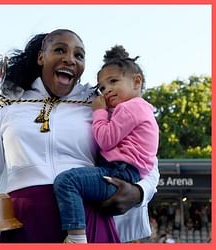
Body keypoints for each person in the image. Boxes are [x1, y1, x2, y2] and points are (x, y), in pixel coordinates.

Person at [0, 29, 159, 243]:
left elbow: (145, 155)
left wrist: (139, 192)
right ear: (41, 57)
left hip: (88, 219)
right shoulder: (7, 105)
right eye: (60, 50)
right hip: (24, 219)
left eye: (79, 55)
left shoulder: (101, 104)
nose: (69, 59)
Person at [53, 45, 159, 243]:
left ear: (136, 82)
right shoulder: (139, 108)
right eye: (101, 87)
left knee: (68, 181)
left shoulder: (129, 109)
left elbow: (105, 139)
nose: (106, 90)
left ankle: (76, 237)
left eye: (113, 82)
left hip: (119, 171)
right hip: (124, 171)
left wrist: (99, 112)